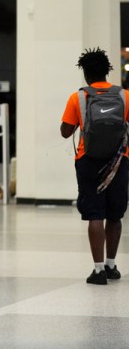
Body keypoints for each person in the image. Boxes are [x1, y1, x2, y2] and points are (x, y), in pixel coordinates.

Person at [60, 47, 129, 285]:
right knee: (116, 213)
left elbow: (65, 131)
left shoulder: (78, 97)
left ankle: (98, 270)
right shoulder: (124, 96)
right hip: (119, 161)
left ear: (86, 73)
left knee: (95, 214)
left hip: (88, 161)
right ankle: (111, 265)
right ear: (107, 71)